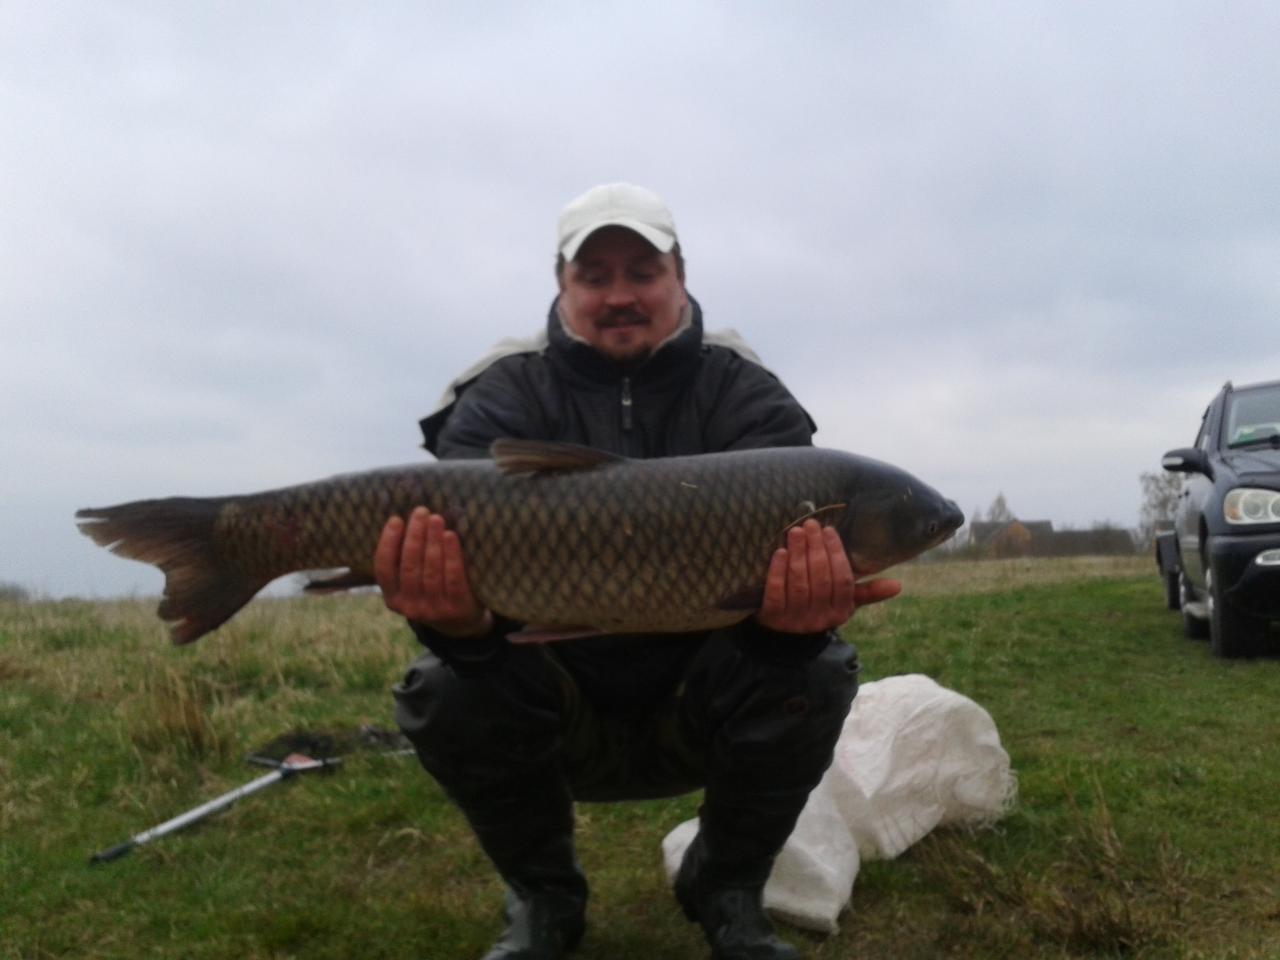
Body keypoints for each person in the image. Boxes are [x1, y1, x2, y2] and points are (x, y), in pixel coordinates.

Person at [376, 183, 899, 960]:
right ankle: (544, 901)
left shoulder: (744, 392)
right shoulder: (501, 392)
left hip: (700, 700)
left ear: (679, 276)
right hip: (549, 700)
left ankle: (726, 888)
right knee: (443, 688)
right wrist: (458, 627)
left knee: (817, 673)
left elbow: (782, 614)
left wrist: (789, 633)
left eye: (642, 272)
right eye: (595, 276)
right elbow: (457, 571)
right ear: (562, 286)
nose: (619, 294)